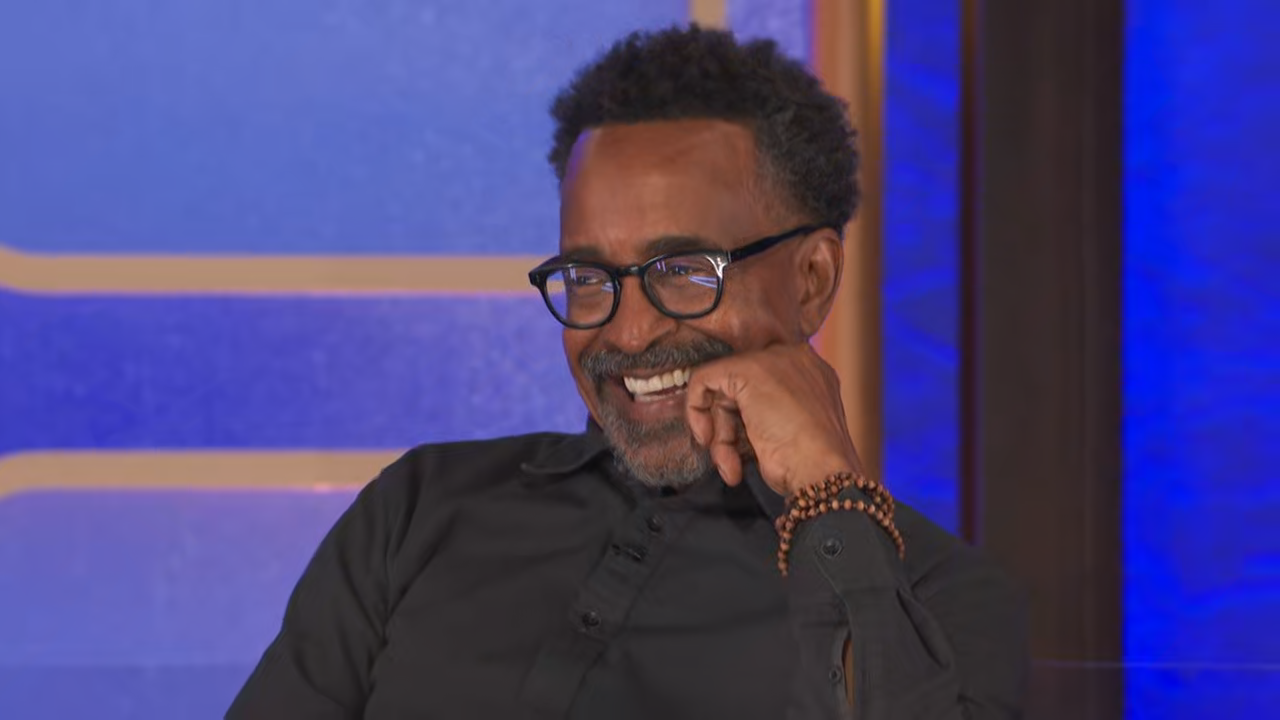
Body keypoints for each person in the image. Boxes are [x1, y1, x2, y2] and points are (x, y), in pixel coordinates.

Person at [227, 25, 1027, 720]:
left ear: (812, 280)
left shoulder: (938, 595)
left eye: (682, 270)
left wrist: (828, 493)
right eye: (589, 277)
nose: (629, 330)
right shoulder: (419, 510)